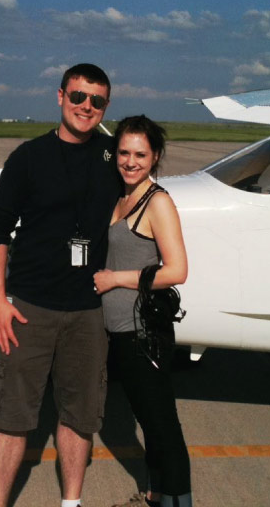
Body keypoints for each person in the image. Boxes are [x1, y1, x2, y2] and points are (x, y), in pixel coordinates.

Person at [0, 63, 121, 507]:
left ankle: (71, 502)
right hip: (30, 307)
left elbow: (146, 197)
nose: (86, 107)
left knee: (80, 416)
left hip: (88, 309)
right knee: (11, 416)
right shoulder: (28, 157)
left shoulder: (112, 157)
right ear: (59, 96)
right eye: (78, 97)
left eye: (96, 101)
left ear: (106, 106)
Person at [93, 116, 191, 507]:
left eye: (140, 155)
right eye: (124, 153)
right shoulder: (120, 196)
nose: (130, 162)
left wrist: (116, 279)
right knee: (149, 420)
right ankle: (155, 494)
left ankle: (180, 502)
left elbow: (177, 270)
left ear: (155, 157)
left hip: (143, 333)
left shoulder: (158, 202)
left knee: (162, 425)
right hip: (119, 330)